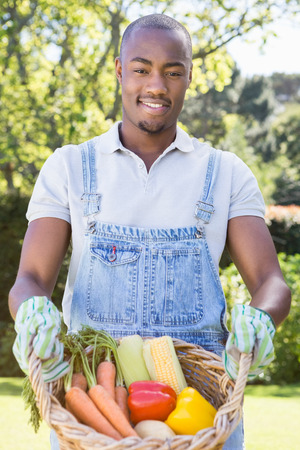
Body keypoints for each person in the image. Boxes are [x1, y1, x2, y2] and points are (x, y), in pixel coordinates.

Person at [9, 13, 290, 449]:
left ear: (189, 77)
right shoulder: (69, 167)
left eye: (172, 72)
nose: (156, 86)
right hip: (97, 407)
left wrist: (260, 318)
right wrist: (31, 311)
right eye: (141, 69)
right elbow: (31, 279)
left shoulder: (226, 173)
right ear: (121, 70)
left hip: (201, 410)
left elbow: (270, 281)